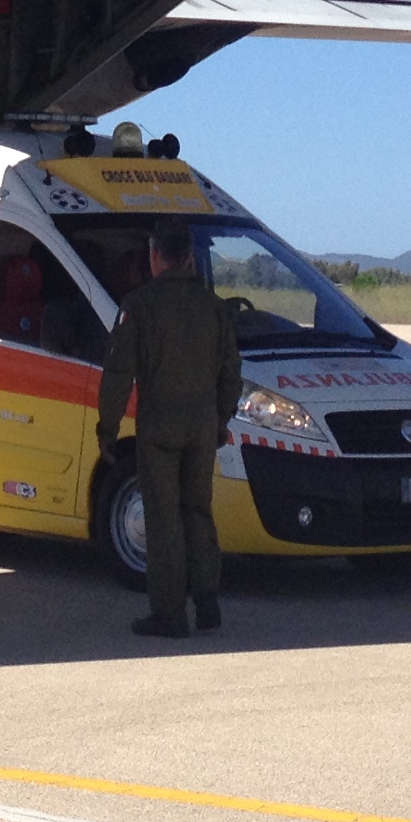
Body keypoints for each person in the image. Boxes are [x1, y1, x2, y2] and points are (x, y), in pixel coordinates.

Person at [95, 217, 244, 638]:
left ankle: (170, 613)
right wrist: (220, 417)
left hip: (160, 425)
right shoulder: (214, 307)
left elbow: (118, 372)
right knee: (197, 509)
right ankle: (208, 600)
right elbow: (231, 370)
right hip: (201, 425)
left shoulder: (139, 306)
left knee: (163, 518)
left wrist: (107, 428)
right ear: (189, 257)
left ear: (156, 256)